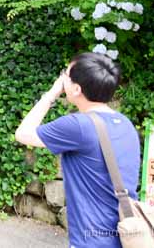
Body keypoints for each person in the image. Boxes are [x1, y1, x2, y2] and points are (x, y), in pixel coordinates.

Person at [15, 52, 141, 248]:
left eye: (65, 74)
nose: (62, 78)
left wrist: (51, 93)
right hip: (127, 235)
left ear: (76, 88)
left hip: (92, 240)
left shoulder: (79, 125)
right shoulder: (124, 123)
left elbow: (23, 133)